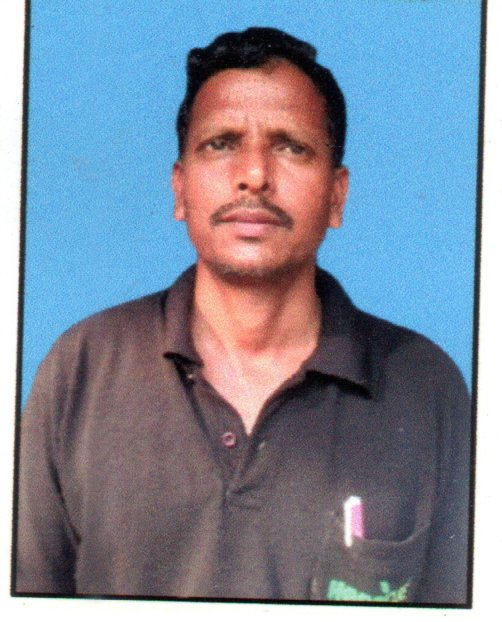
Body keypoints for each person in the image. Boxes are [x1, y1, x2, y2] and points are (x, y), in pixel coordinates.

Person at [15, 27, 471, 604]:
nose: (254, 174)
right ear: (179, 189)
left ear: (337, 196)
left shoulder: (427, 389)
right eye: (221, 143)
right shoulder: (82, 368)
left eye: (291, 147)